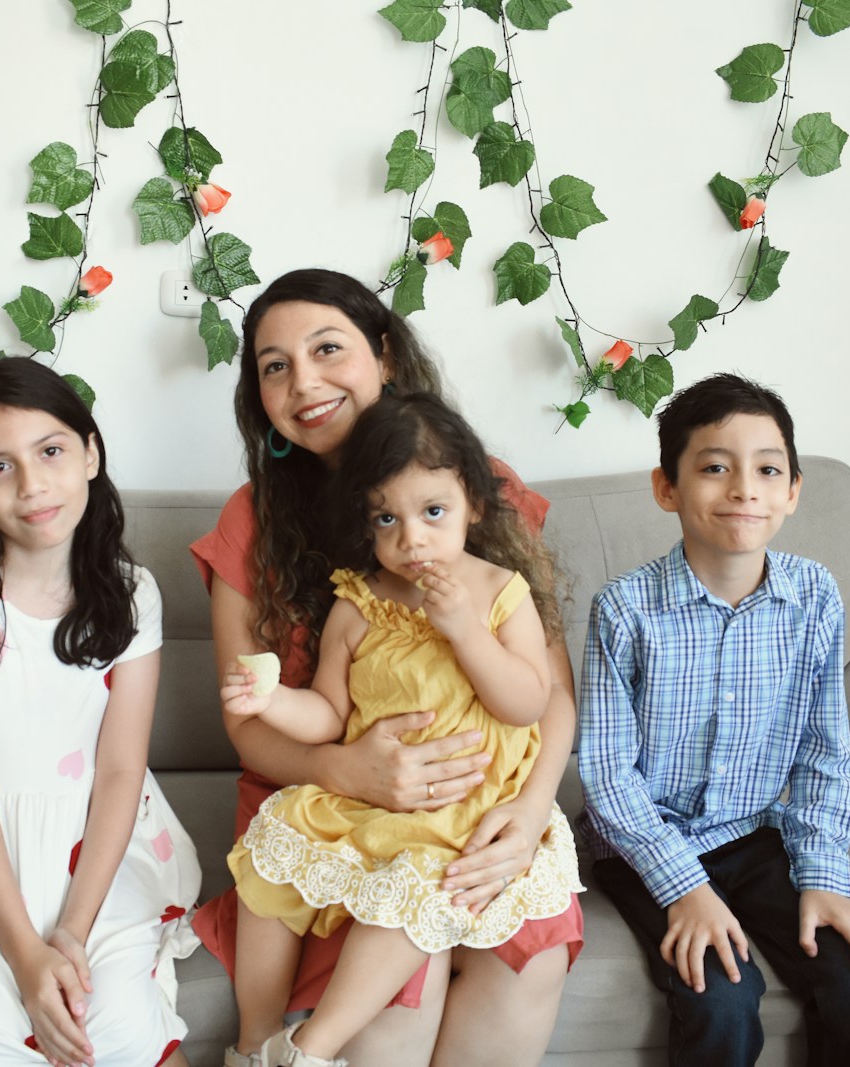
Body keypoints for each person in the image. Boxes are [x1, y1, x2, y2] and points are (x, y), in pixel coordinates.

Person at [189, 268, 584, 1067]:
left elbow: (552, 695)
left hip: (478, 806)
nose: (304, 381)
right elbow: (251, 727)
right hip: (328, 806)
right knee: (403, 982)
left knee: (529, 953)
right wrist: (352, 771)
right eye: (274, 366)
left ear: (384, 354)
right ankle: (269, 1048)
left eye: (326, 348)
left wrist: (529, 812)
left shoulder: (480, 487)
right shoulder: (253, 520)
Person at [0, 358, 201, 1067]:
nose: (32, 486)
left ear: (90, 453)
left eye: (51, 451)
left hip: (102, 839)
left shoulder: (131, 592)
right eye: (0, 466)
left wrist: (72, 935)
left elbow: (121, 768)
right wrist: (28, 957)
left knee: (111, 1019)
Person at [578, 372, 850, 1066]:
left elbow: (825, 751)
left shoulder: (814, 596)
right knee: (719, 991)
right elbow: (605, 772)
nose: (744, 488)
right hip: (646, 843)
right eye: (715, 467)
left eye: (767, 469)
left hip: (754, 832)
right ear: (668, 487)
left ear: (792, 491)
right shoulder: (625, 609)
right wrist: (685, 888)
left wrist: (822, 878)